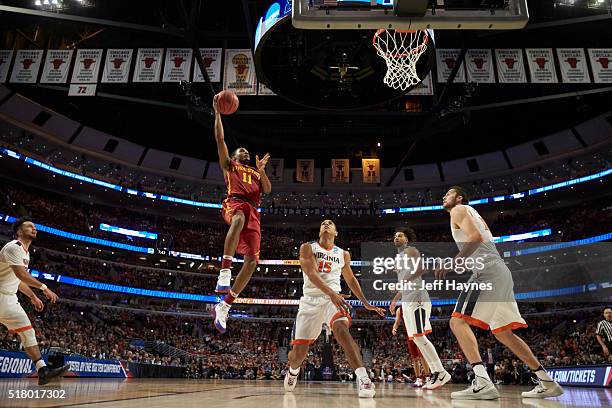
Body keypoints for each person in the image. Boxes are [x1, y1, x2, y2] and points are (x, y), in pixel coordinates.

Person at [435, 186, 564, 400]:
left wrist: (453, 262)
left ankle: (482, 381)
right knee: (503, 333)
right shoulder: (471, 213)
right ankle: (547, 381)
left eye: (447, 193)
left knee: (457, 322)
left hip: (486, 271)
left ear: (458, 197)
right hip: (500, 272)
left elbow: (475, 237)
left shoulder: (459, 210)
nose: (443, 196)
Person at [283, 220, 385, 398]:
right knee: (298, 355)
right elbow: (312, 273)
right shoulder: (308, 248)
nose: (326, 224)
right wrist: (331, 293)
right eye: (323, 223)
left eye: (330, 223)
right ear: (319, 230)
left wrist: (365, 302)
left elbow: (351, 280)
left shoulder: (343, 254)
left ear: (336, 233)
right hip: (311, 301)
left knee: (341, 330)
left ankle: (363, 379)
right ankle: (293, 371)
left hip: (334, 299)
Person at [211, 94, 271, 333]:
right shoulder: (230, 167)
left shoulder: (255, 173)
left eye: (246, 151)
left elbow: (267, 189)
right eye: (241, 151)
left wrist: (262, 171)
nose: (244, 152)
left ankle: (225, 305)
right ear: (234, 158)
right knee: (239, 218)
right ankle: (225, 269)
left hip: (254, 211)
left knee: (253, 262)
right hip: (234, 203)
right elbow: (219, 137)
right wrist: (217, 113)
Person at [0, 217, 69, 385]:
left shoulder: (26, 253)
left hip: (8, 297)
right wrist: (44, 288)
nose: (34, 228)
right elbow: (21, 275)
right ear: (19, 232)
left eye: (35, 226)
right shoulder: (13, 247)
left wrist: (32, 296)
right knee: (27, 332)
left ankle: (42, 370)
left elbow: (19, 281)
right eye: (29, 226)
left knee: (28, 332)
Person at [391, 305, 431, 387]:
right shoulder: (400, 309)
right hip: (409, 334)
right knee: (415, 358)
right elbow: (397, 321)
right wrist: (394, 328)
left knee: (422, 356)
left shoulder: (415, 304)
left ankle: (428, 378)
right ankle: (418, 379)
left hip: (420, 332)